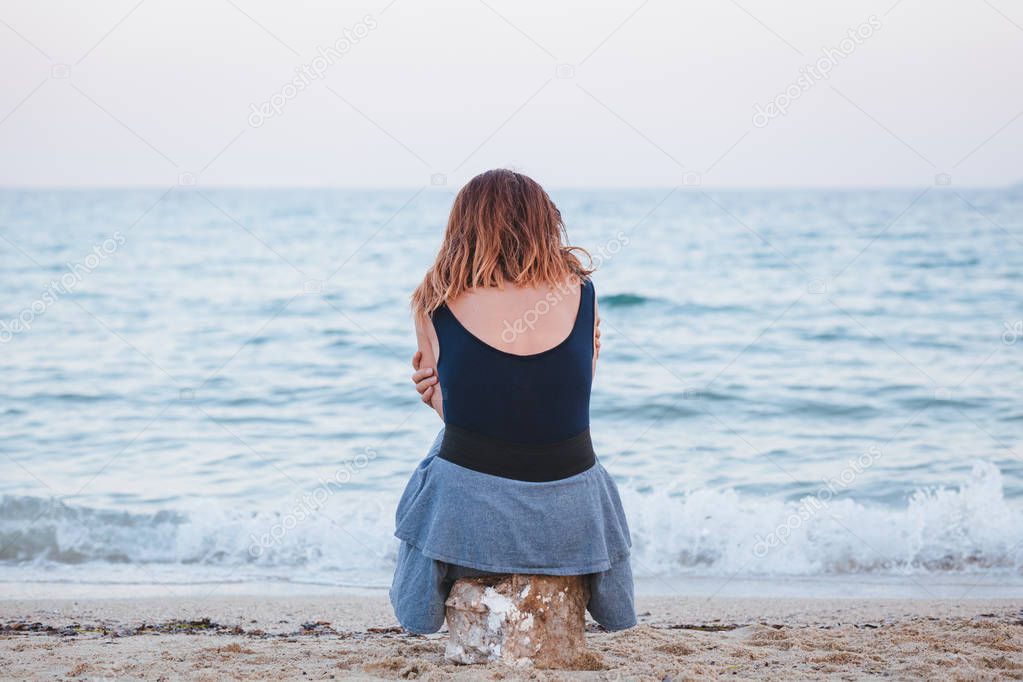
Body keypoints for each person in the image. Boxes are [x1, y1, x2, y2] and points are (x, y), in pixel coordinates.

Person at [389, 169, 635, 633]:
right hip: (571, 519)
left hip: (472, 519)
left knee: (441, 450)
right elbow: (558, 404)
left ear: (462, 229)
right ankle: (610, 601)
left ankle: (420, 607)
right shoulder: (583, 292)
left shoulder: (435, 301)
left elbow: (475, 417)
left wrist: (434, 400)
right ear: (545, 224)